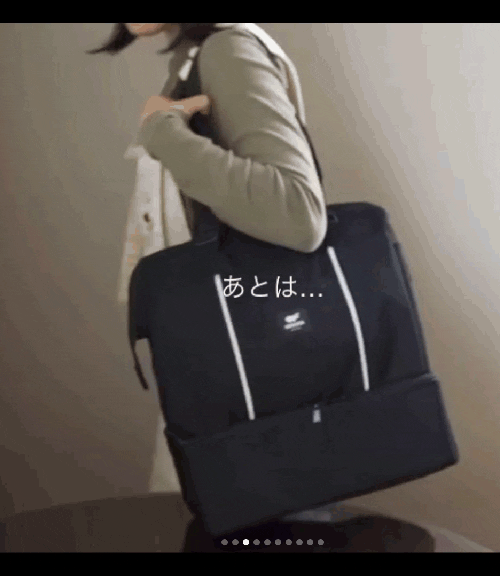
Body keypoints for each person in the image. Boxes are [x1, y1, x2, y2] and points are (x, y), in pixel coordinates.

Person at [87, 23, 337, 551]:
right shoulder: (200, 57)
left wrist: (161, 131)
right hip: (224, 386)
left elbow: (298, 213)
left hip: (248, 403)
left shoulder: (228, 52)